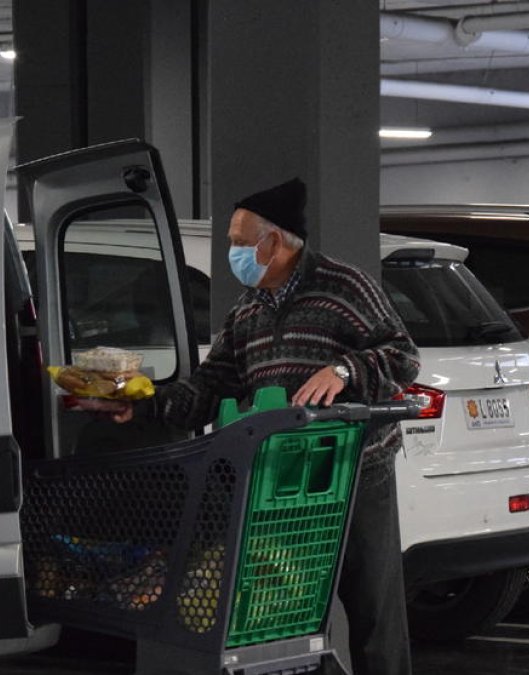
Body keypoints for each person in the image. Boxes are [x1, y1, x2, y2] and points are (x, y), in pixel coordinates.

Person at [89, 177, 420, 674]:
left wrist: (344, 370)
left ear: (276, 241)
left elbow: (402, 356)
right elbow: (208, 390)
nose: (234, 253)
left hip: (352, 474)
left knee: (374, 608)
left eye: (240, 244)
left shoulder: (342, 287)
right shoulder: (247, 312)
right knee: (287, 612)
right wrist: (141, 403)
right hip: (280, 485)